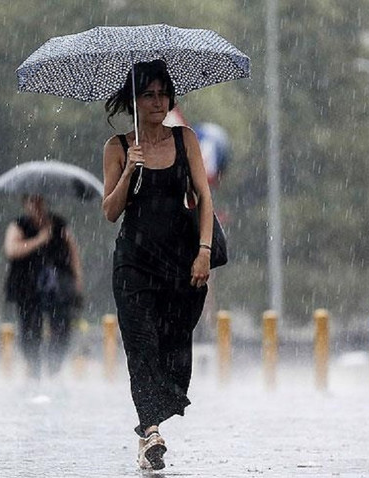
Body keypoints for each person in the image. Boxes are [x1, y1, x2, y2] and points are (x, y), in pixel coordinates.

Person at [101, 59, 213, 471]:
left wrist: (203, 250)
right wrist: (130, 168)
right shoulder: (117, 148)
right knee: (141, 346)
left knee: (172, 345)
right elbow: (110, 210)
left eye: (163, 93)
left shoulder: (185, 140)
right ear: (134, 100)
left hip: (179, 263)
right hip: (133, 265)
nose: (157, 101)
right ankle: (150, 434)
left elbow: (203, 196)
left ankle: (153, 415)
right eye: (148, 94)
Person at [3, 194, 84, 381]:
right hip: (27, 287)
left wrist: (77, 280)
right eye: (32, 201)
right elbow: (11, 250)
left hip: (57, 287)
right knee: (30, 328)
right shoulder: (18, 225)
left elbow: (73, 253)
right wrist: (38, 240)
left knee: (62, 327)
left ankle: (54, 368)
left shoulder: (58, 224)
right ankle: (33, 369)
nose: (37, 205)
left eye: (40, 201)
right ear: (25, 204)